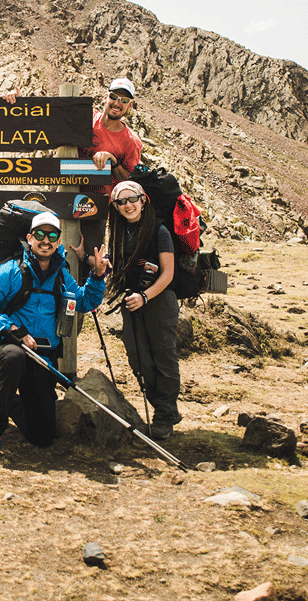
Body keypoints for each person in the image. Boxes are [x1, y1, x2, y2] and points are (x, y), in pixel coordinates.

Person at [0, 212, 108, 460]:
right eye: (40, 235)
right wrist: (14, 330)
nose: (46, 240)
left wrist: (97, 277)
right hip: (5, 352)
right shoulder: (11, 271)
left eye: (52, 235)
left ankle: (7, 401)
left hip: (42, 360)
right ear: (30, 238)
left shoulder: (62, 275)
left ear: (58, 241)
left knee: (42, 437)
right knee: (14, 358)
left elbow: (84, 302)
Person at [2, 78, 142, 281]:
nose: (117, 103)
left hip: (95, 208)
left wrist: (113, 161)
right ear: (105, 97)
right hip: (61, 196)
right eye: (113, 97)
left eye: (124, 100)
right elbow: (46, 124)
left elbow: (131, 181)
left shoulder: (130, 141)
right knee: (45, 253)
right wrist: (21, 104)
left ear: (129, 106)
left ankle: (79, 310)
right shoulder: (83, 121)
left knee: (89, 264)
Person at [105, 179, 181, 439]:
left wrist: (145, 297)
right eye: (121, 201)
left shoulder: (159, 231)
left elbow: (168, 273)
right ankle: (163, 410)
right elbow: (117, 269)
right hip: (132, 303)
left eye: (132, 199)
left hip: (158, 302)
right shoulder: (120, 234)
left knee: (163, 358)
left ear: (143, 200)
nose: (128, 205)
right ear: (116, 206)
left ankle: (165, 417)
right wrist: (85, 258)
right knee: (138, 358)